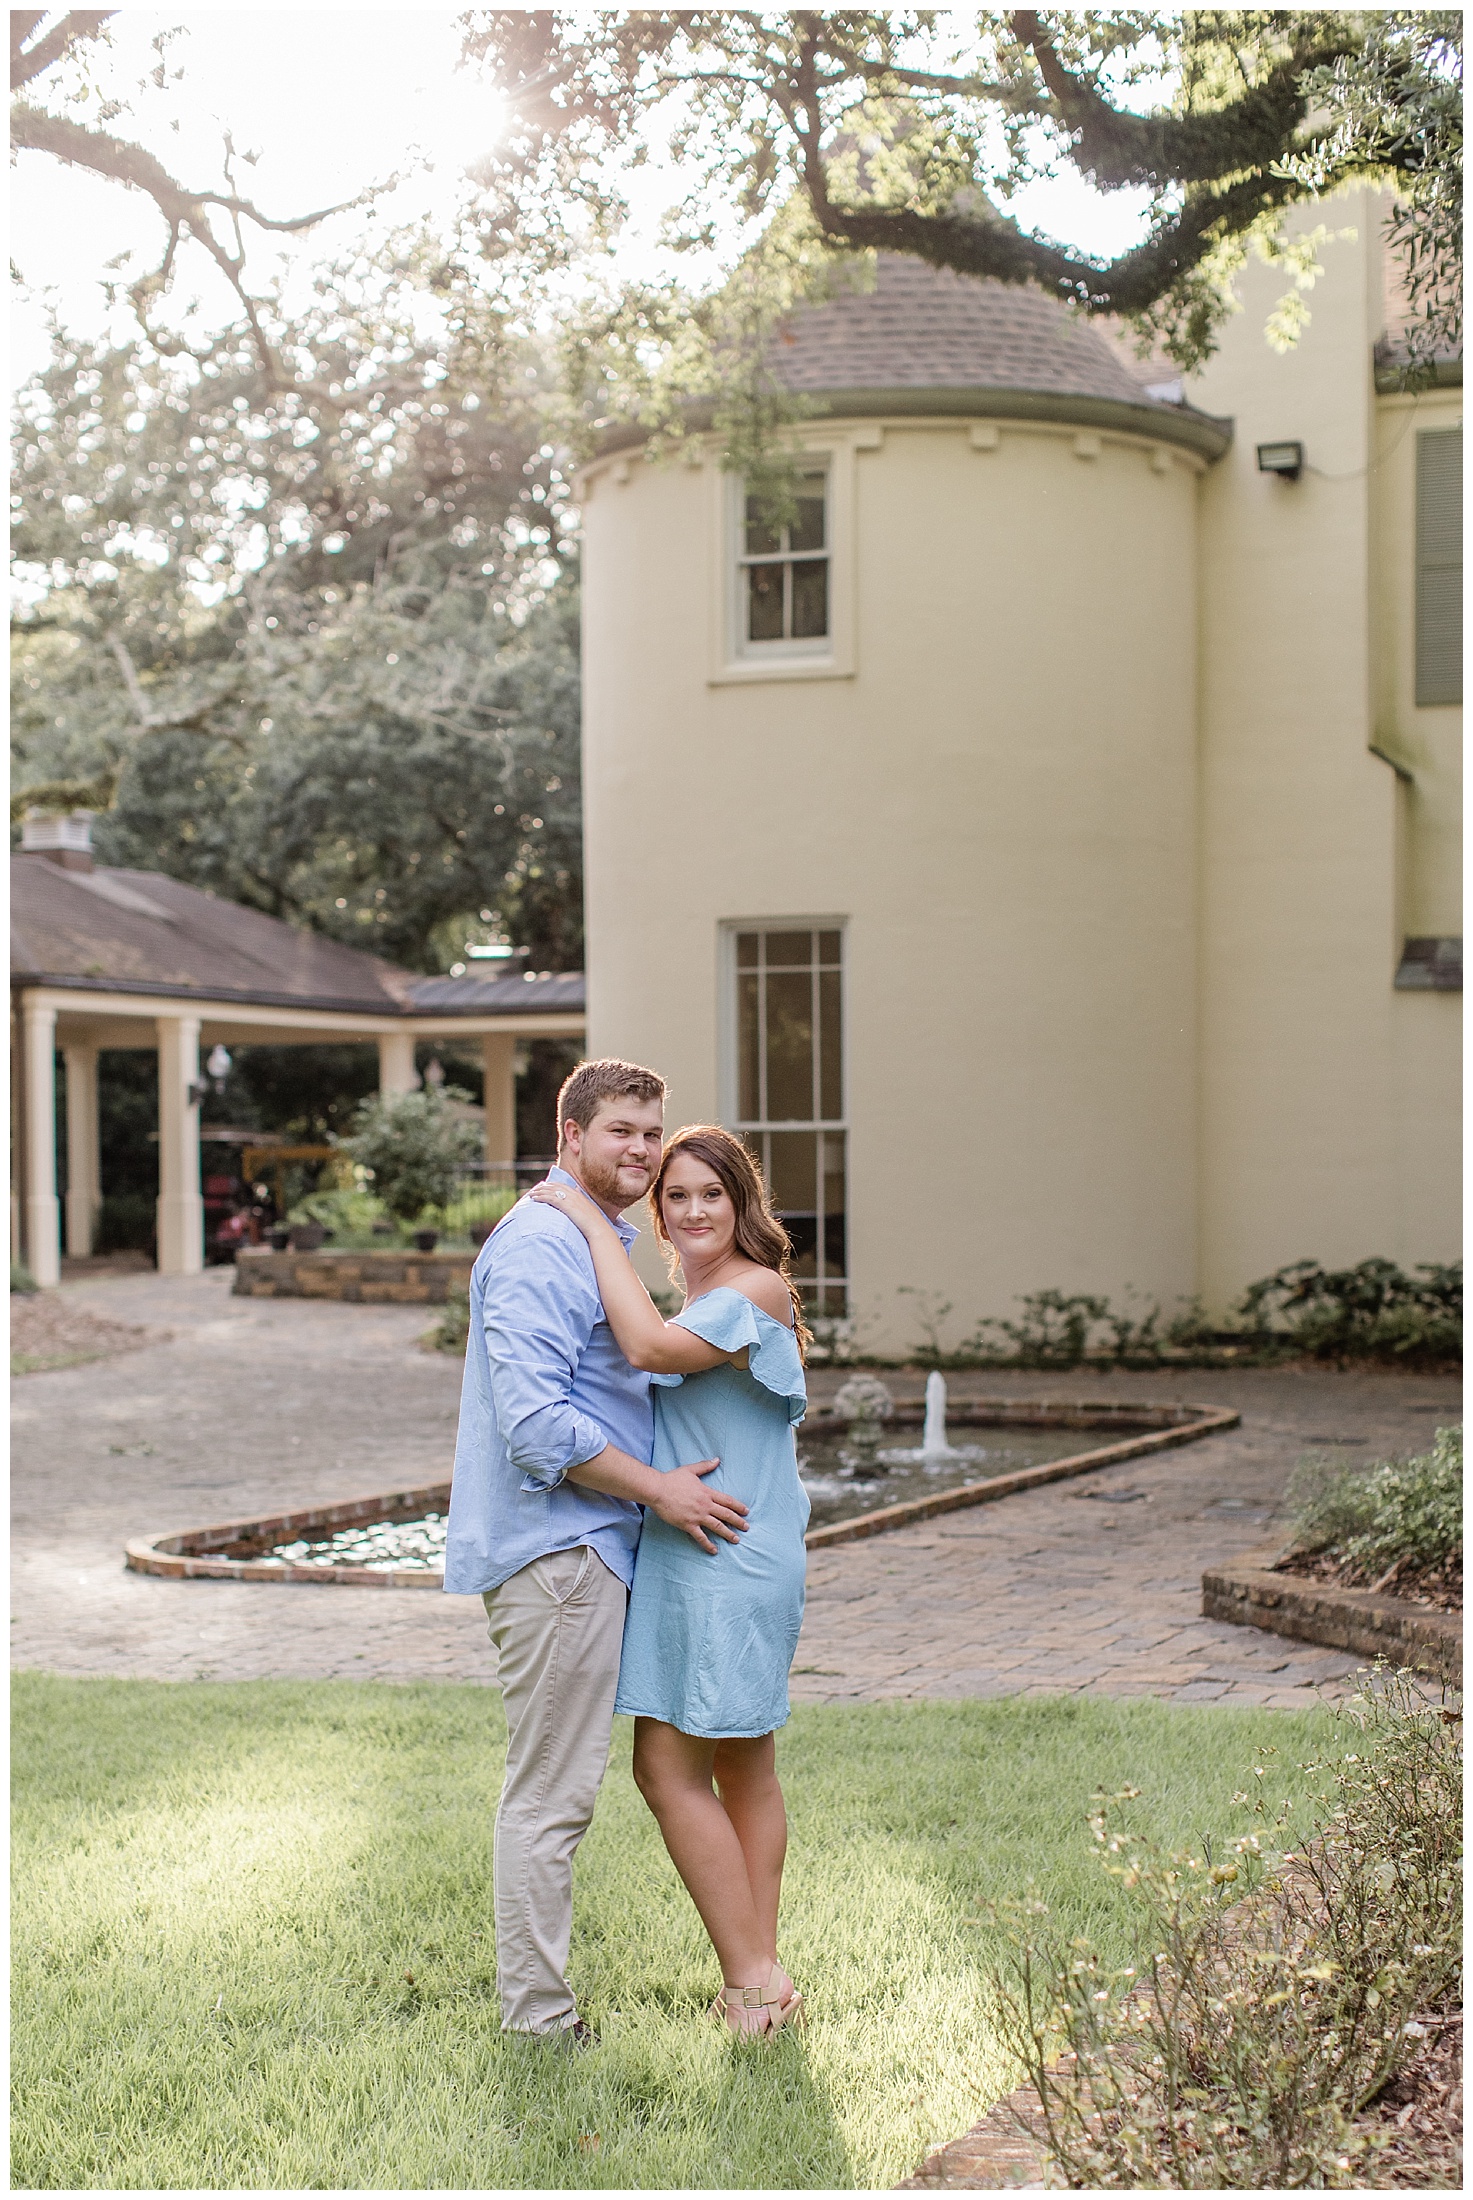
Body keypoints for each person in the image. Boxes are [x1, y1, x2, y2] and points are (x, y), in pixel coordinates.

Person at [443, 1061, 749, 2046]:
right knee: (550, 1796)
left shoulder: (584, 1238)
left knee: (556, 1788)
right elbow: (538, 1425)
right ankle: (538, 2023)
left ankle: (542, 2008)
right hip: (559, 1554)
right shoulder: (541, 1244)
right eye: (621, 1130)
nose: (642, 1151)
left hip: (583, 1553)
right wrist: (662, 1487)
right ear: (569, 1134)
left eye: (651, 1133)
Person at [527, 1122, 811, 2040]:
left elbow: (644, 1349)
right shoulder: (708, 1297)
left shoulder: (751, 1290)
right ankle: (760, 1984)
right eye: (675, 1196)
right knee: (741, 1761)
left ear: (743, 1205)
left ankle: (750, 1980)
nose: (692, 1210)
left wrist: (579, 1214)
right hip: (717, 1546)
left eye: (711, 1195)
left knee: (666, 1766)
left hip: (722, 1554)